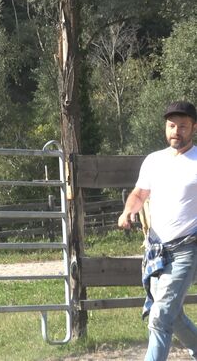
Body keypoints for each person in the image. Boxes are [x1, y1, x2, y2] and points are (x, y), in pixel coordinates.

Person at [118, 100, 197, 361]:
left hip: (187, 248)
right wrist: (128, 210)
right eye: (172, 125)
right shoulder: (154, 160)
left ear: (193, 128)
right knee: (173, 316)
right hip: (156, 249)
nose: (176, 131)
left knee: (160, 316)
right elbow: (140, 193)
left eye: (183, 126)